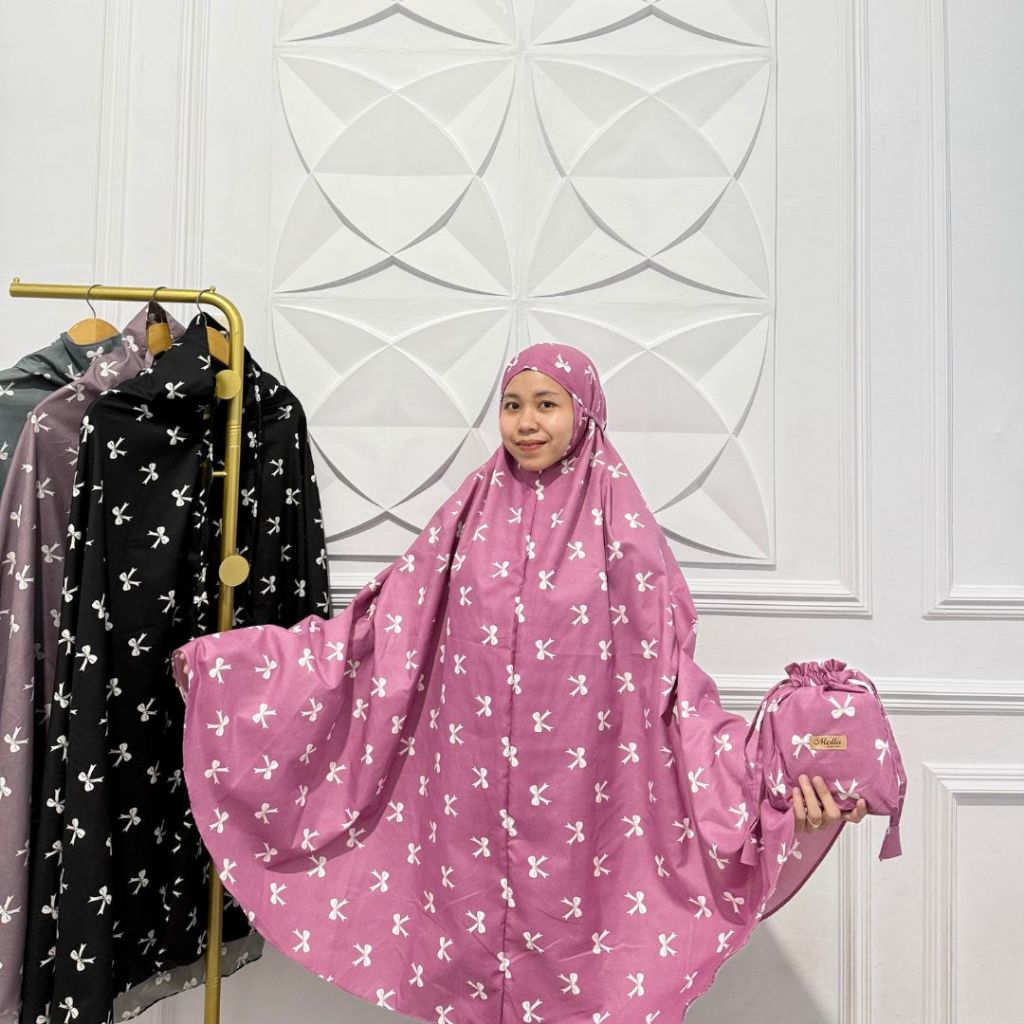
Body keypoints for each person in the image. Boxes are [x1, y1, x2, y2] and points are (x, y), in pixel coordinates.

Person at [173, 343, 866, 1024]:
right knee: (470, 984)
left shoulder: (626, 534)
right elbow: (383, 628)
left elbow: (676, 694)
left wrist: (771, 788)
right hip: (465, 816)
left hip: (587, 816)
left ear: (585, 412)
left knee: (580, 987)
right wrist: (237, 669)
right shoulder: (467, 514)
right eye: (512, 405)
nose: (526, 422)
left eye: (546, 404)